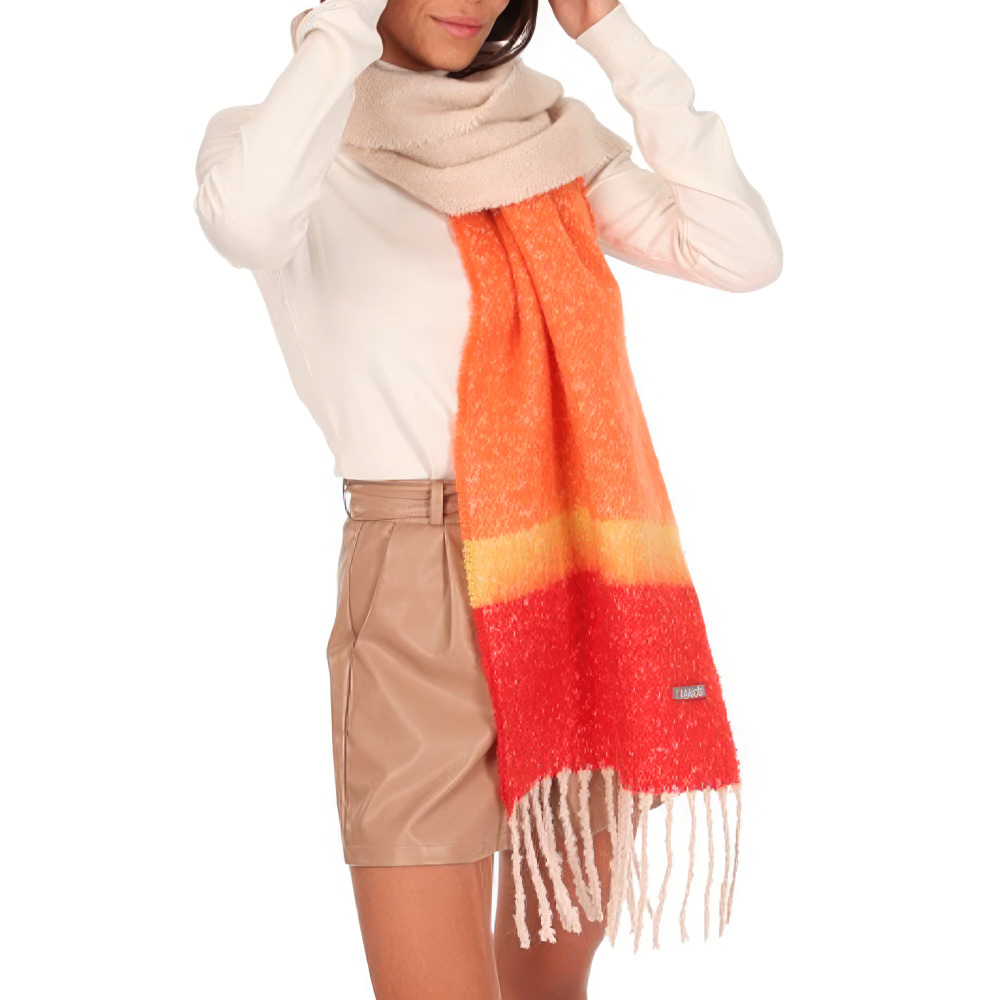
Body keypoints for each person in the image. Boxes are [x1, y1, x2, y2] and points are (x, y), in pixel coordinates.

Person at [193, 1, 781, 996]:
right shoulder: (285, 145)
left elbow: (739, 250)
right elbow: (244, 224)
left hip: (573, 571)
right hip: (413, 592)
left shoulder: (548, 141)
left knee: (550, 985)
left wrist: (608, 31)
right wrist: (340, 23)